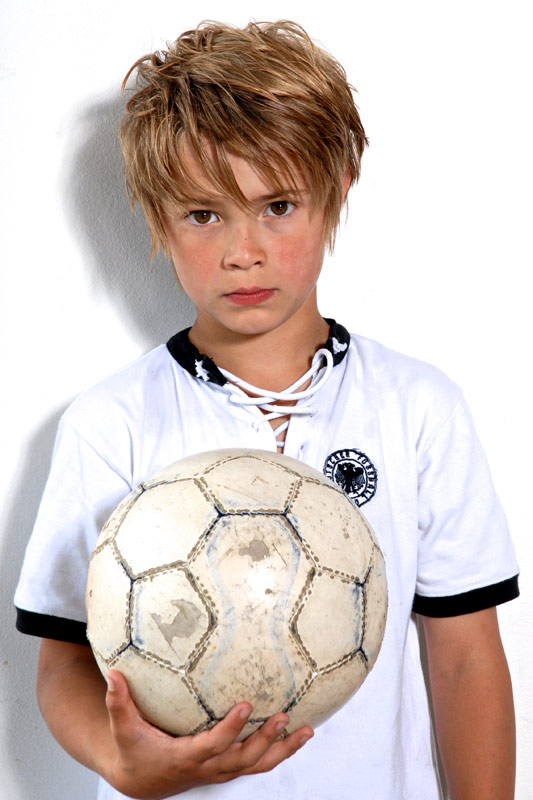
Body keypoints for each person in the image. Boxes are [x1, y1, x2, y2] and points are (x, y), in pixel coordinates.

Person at [14, 20, 519, 800]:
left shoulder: (416, 407)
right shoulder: (112, 421)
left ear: (336, 189)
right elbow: (62, 660)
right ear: (156, 217)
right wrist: (121, 762)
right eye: (203, 214)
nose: (242, 252)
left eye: (276, 205)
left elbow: (464, 658)